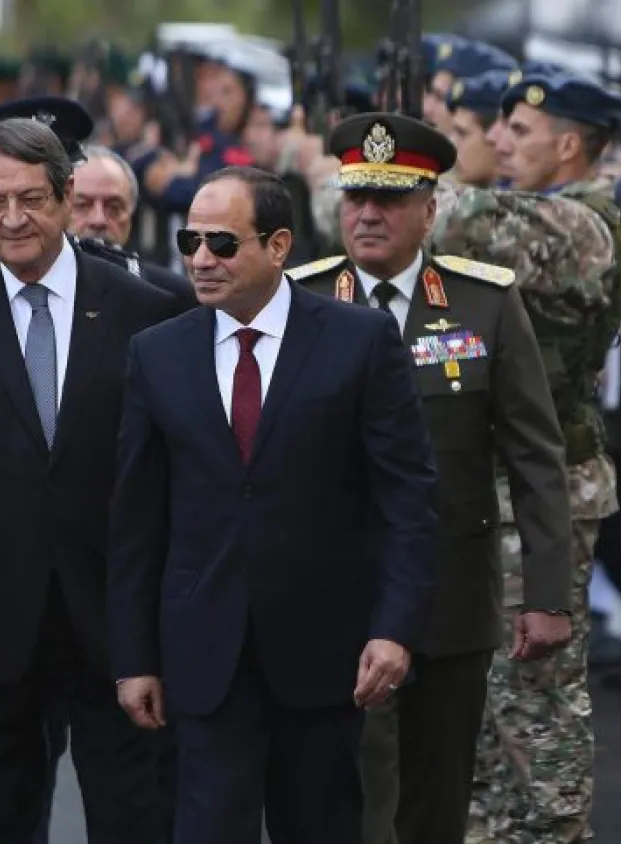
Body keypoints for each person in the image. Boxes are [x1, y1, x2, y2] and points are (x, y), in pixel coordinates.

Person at [106, 165, 439, 844]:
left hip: (325, 656)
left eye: (222, 244)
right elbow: (137, 519)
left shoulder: (360, 340)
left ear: (279, 246)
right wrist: (134, 656)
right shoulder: (157, 354)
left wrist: (395, 628)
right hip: (202, 656)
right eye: (189, 241)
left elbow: (406, 498)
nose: (200, 260)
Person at [0, 117, 181, 844]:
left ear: (65, 194)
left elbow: (177, 477)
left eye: (29, 199)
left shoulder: (149, 312)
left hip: (120, 630)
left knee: (138, 822)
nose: (11, 219)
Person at [291, 110, 574, 844]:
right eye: (356, 197)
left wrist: (546, 594)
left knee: (436, 801)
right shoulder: (301, 302)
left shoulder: (483, 301)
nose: (369, 214)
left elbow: (535, 454)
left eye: (389, 199)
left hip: (450, 595)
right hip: (332, 595)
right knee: (344, 800)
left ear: (431, 208)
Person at [431, 70, 621, 844]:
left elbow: (449, 221)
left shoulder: (585, 224)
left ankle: (553, 831)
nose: (498, 141)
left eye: (519, 132)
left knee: (535, 693)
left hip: (547, 491)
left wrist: (412, 165)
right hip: (494, 479)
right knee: (488, 687)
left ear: (570, 145)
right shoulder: (540, 211)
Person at [68, 145, 197, 307]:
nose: (98, 220)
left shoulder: (174, 297)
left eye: (114, 207)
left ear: (131, 213)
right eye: (82, 205)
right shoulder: (35, 291)